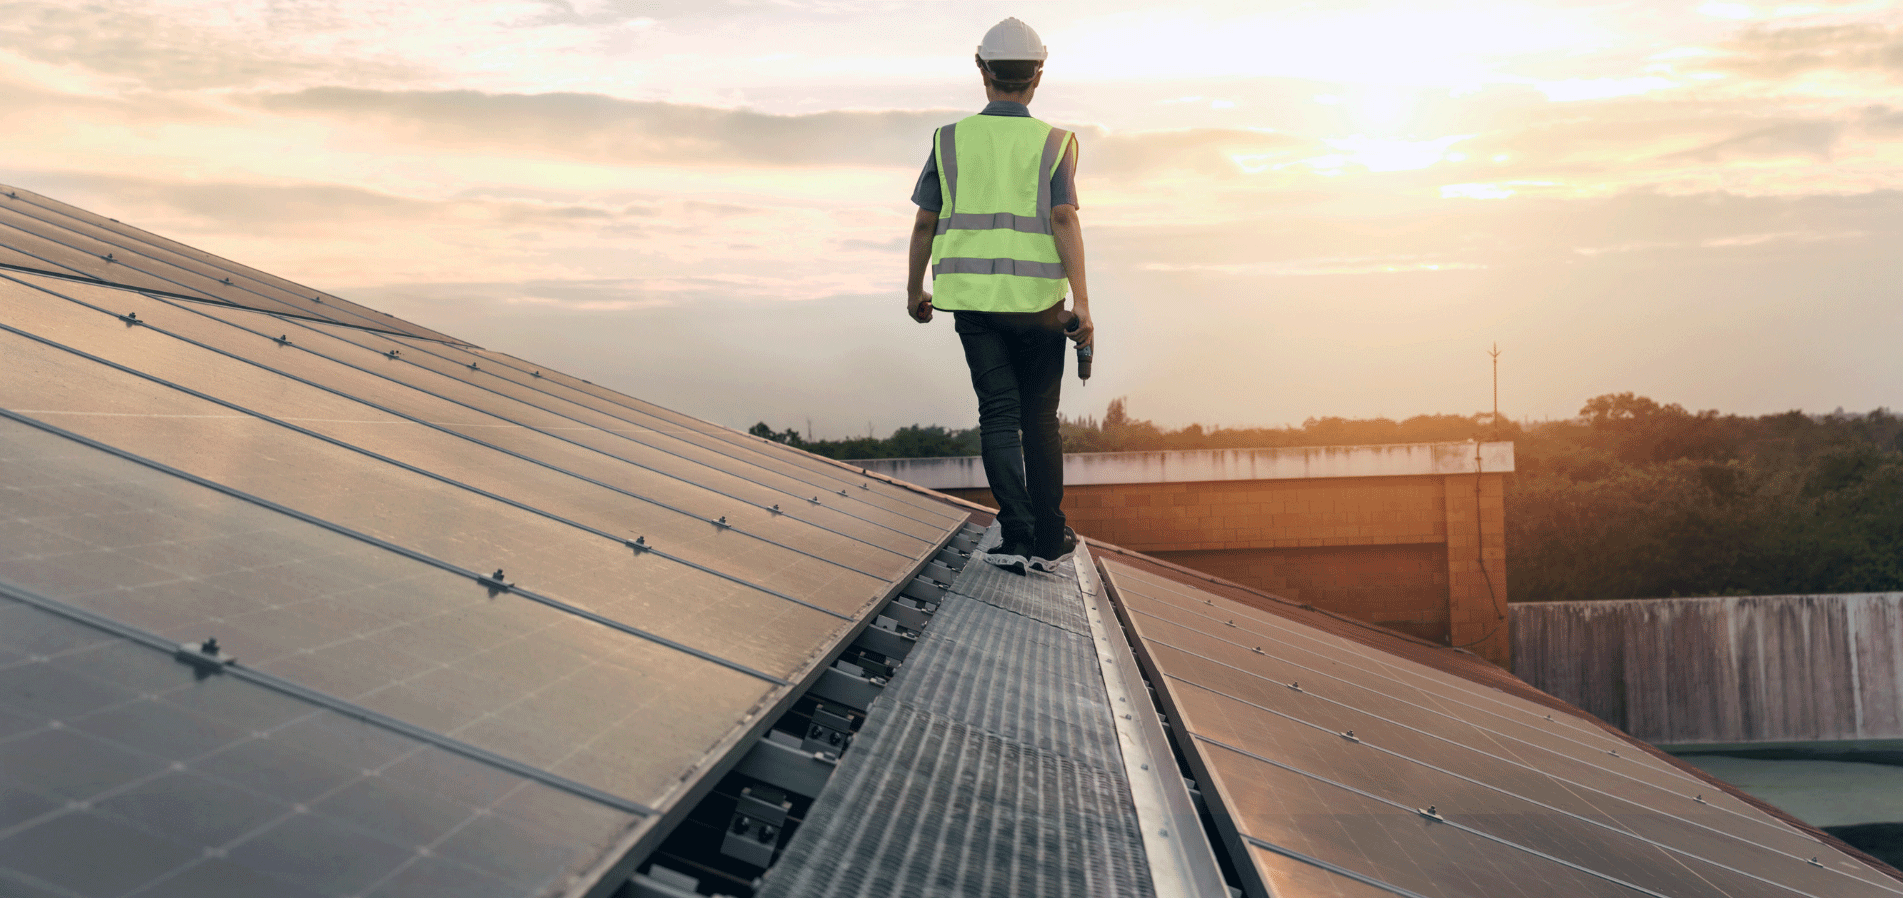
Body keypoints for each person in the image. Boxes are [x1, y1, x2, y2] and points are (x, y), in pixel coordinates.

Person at [905, 17, 1091, 576]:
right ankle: (1048, 538)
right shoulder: (1056, 142)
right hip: (1040, 305)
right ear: (1039, 74)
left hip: (974, 305)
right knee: (1040, 418)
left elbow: (924, 223)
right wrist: (1082, 302)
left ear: (981, 70)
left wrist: (916, 289)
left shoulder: (949, 139)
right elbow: (1063, 217)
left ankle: (1014, 536)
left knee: (997, 415)